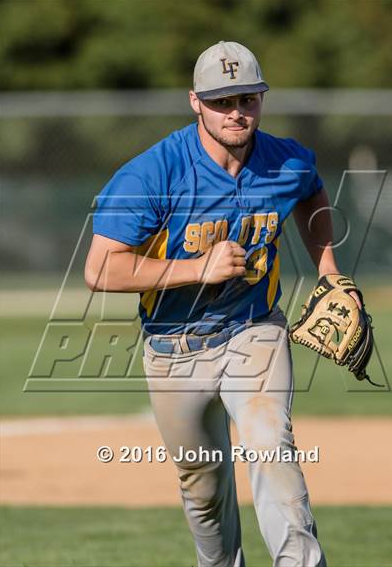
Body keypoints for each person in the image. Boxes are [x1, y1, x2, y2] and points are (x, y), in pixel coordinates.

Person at [85, 41, 331, 566]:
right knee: (204, 492)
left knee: (272, 447)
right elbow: (100, 269)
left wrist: (329, 270)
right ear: (195, 101)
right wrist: (198, 269)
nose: (236, 111)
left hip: (254, 329)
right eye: (222, 101)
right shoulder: (152, 173)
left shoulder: (283, 159)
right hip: (175, 349)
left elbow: (311, 188)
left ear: (261, 100)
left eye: (247, 98)